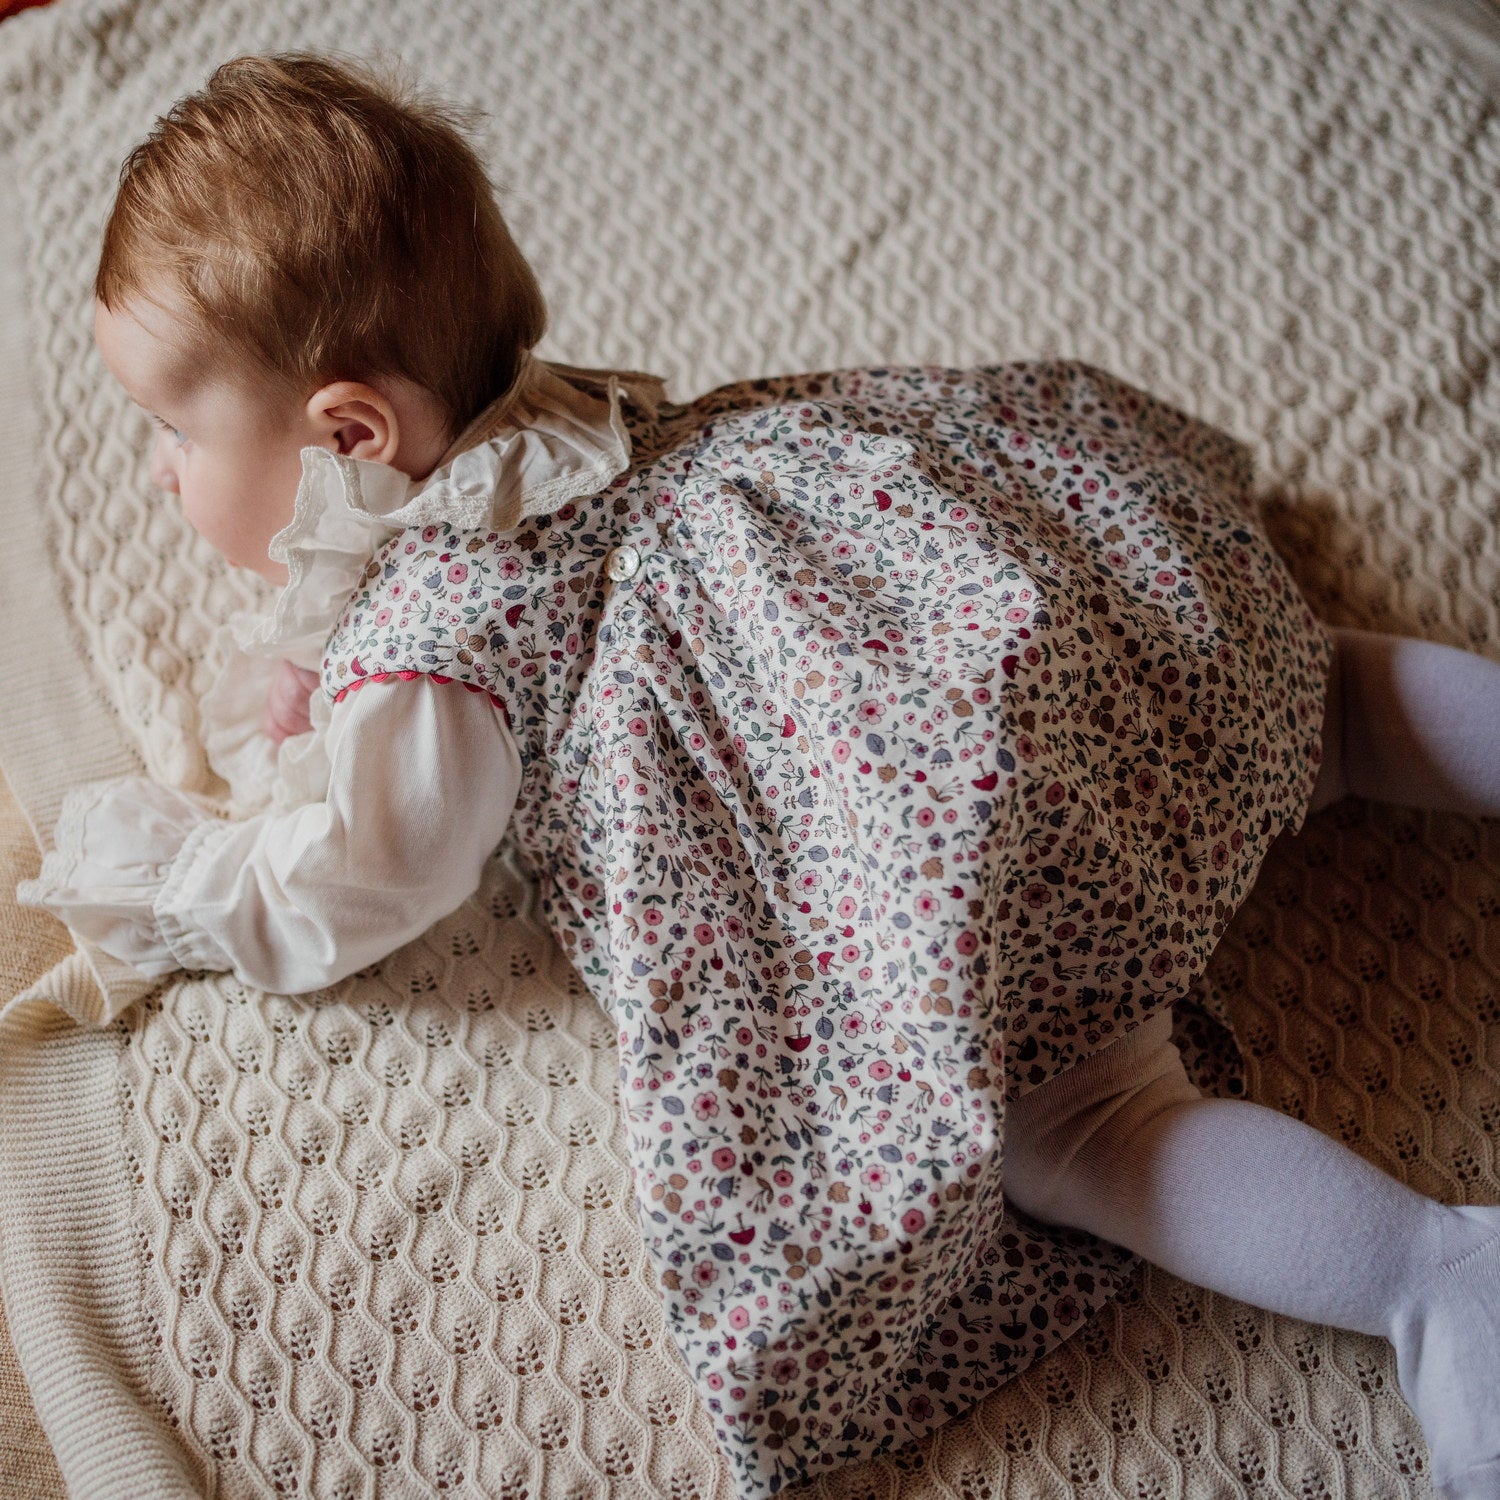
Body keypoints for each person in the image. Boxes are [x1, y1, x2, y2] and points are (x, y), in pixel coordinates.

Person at [18, 52, 1500, 1499]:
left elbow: (371, 873)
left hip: (912, 790)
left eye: (170, 428)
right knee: (1318, 691)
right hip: (940, 583)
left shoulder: (436, 639)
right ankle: (1348, 716)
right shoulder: (526, 411)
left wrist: (177, 880)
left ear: (350, 434)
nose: (156, 469)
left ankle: (1439, 1282)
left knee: (1078, 1124)